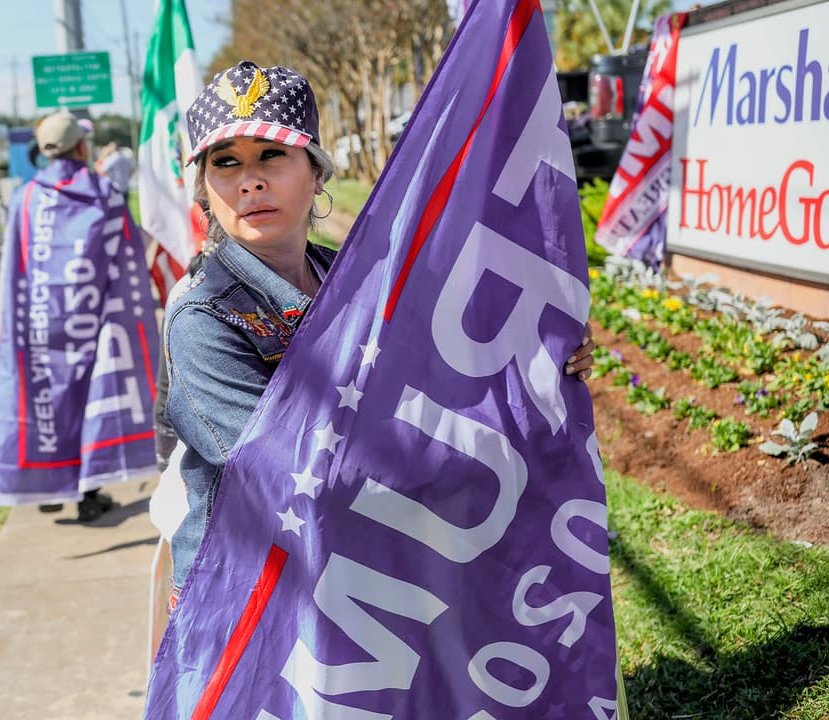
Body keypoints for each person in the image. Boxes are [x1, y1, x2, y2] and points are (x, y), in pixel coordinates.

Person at [158, 61, 596, 605]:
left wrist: (540, 355)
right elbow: (286, 472)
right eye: (226, 163)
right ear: (204, 189)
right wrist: (467, 458)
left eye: (272, 154)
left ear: (316, 173)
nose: (251, 179)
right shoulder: (202, 318)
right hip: (250, 597)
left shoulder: (362, 281)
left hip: (352, 568)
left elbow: (447, 367)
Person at [0, 109, 128, 522]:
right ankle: (87, 492)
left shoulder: (26, 196)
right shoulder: (103, 193)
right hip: (88, 318)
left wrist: (4, 316)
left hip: (36, 319)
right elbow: (120, 256)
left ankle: (47, 483)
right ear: (82, 147)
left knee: (42, 401)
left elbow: (11, 262)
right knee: (86, 402)